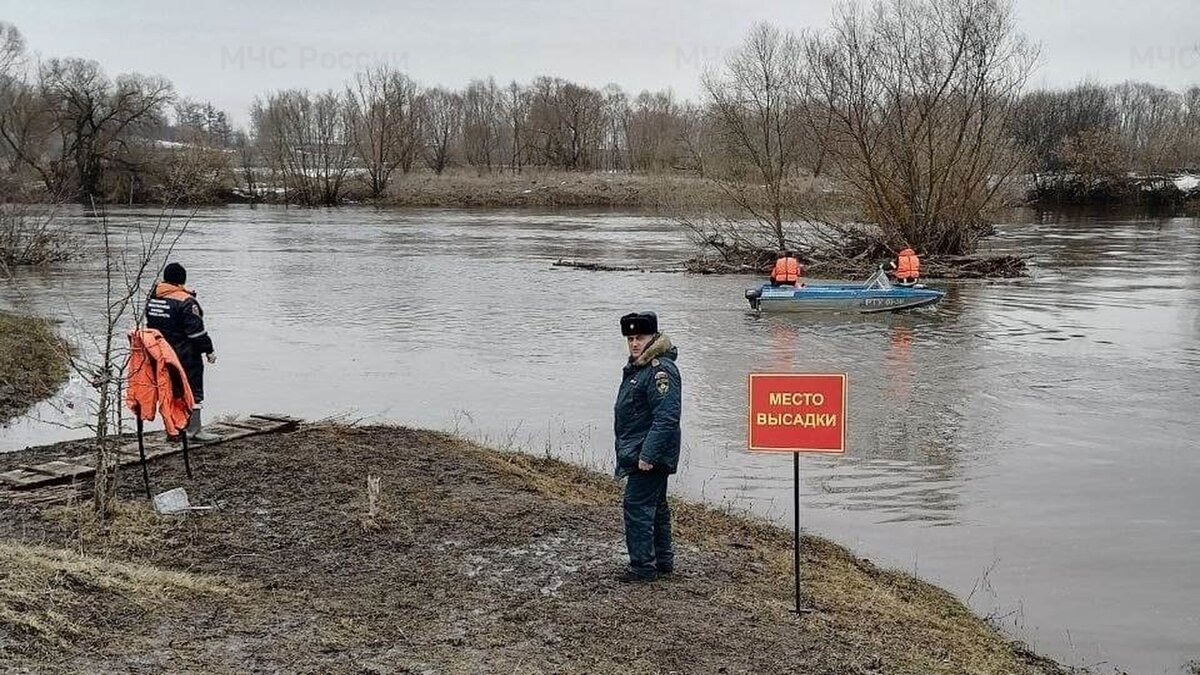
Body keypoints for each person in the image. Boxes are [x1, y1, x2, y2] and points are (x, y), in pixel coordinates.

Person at [613, 311, 681, 583]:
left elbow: (667, 417)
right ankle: (662, 561)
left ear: (653, 337)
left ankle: (642, 567)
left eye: (639, 337)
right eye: (630, 338)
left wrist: (648, 454)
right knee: (656, 506)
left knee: (637, 505)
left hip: (647, 454)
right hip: (641, 450)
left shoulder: (659, 371)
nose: (634, 343)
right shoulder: (640, 368)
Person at [145, 262, 219, 442]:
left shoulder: (153, 299)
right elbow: (196, 332)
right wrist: (208, 350)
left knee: (169, 390)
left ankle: (173, 429)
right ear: (182, 281)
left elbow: (150, 326)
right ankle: (194, 430)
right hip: (185, 354)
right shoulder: (186, 301)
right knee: (193, 390)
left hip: (161, 354)